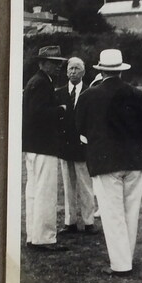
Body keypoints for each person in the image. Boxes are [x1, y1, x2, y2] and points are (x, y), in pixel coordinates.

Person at [75, 49, 142, 276]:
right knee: (130, 212)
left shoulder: (89, 96)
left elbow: (79, 127)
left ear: (101, 70)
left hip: (105, 161)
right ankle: (125, 259)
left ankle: (120, 264)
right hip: (135, 160)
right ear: (120, 71)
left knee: (112, 214)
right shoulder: (137, 95)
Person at [22, 46, 68, 251]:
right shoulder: (42, 83)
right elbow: (38, 114)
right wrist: (61, 110)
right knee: (45, 191)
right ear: (42, 63)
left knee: (33, 190)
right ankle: (45, 238)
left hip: (33, 145)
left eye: (59, 63)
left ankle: (34, 235)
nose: (58, 67)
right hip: (43, 145)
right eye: (53, 62)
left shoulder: (36, 81)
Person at [56, 57, 96, 235]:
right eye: (70, 69)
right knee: (68, 185)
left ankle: (89, 222)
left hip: (83, 147)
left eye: (77, 69)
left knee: (86, 185)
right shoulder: (59, 93)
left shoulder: (90, 92)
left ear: (83, 72)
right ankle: (70, 222)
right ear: (66, 72)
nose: (73, 72)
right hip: (65, 146)